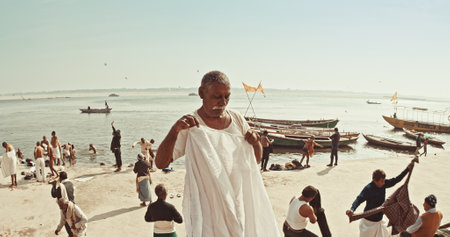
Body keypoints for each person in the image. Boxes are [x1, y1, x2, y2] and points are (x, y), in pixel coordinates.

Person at [155, 71, 279, 236]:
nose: (223, 102)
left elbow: (256, 159)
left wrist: (255, 141)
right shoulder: (191, 124)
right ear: (201, 93)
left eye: (227, 96)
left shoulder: (237, 118)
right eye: (217, 96)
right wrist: (174, 130)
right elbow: (161, 163)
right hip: (207, 206)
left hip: (236, 201)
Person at [346, 160, 415, 236]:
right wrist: (352, 209)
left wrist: (407, 169)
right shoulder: (368, 188)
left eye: (384, 181)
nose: (383, 183)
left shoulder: (384, 184)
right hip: (368, 222)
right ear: (375, 180)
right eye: (381, 181)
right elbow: (359, 199)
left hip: (379, 219)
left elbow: (396, 180)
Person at [51, 171, 75, 237]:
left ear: (60, 178)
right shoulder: (70, 183)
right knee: (72, 222)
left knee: (67, 223)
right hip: (73, 205)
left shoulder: (61, 186)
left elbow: (54, 194)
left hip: (66, 207)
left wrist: (53, 186)